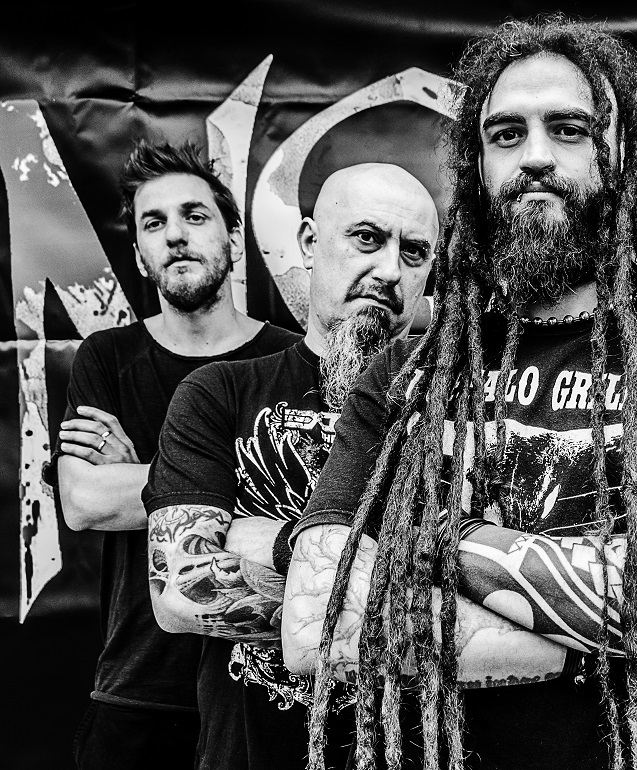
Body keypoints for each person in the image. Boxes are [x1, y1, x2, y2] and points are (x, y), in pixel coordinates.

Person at [284, 18, 637, 770]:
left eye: (570, 129)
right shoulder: (405, 375)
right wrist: (604, 645)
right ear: (477, 166)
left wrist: (441, 546)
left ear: (620, 159)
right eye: (506, 134)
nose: (535, 156)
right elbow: (318, 626)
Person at [142, 163, 439, 770]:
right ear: (308, 242)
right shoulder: (218, 393)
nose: (390, 270)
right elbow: (179, 590)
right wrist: (314, 556)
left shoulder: (461, 403)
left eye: (414, 252)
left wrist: (265, 543)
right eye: (367, 238)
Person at [50, 141, 298, 770]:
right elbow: (83, 502)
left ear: (233, 239)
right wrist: (253, 477)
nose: (176, 235)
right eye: (154, 223)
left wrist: (144, 475)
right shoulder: (107, 357)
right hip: (139, 686)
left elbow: (314, 499)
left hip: (263, 683)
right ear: (139, 254)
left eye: (195, 215)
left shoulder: (291, 358)